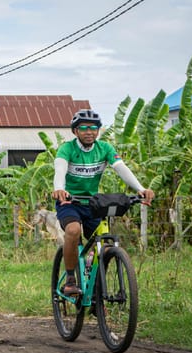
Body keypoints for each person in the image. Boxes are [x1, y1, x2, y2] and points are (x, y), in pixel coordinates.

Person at [51, 109, 154, 296]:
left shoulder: (104, 148)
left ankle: (98, 292)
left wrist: (140, 189)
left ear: (98, 130)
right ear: (75, 131)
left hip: (92, 204)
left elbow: (121, 168)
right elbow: (60, 169)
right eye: (83, 128)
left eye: (94, 128)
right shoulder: (67, 149)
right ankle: (70, 279)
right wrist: (60, 188)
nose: (89, 132)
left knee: (104, 246)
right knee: (73, 231)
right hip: (69, 202)